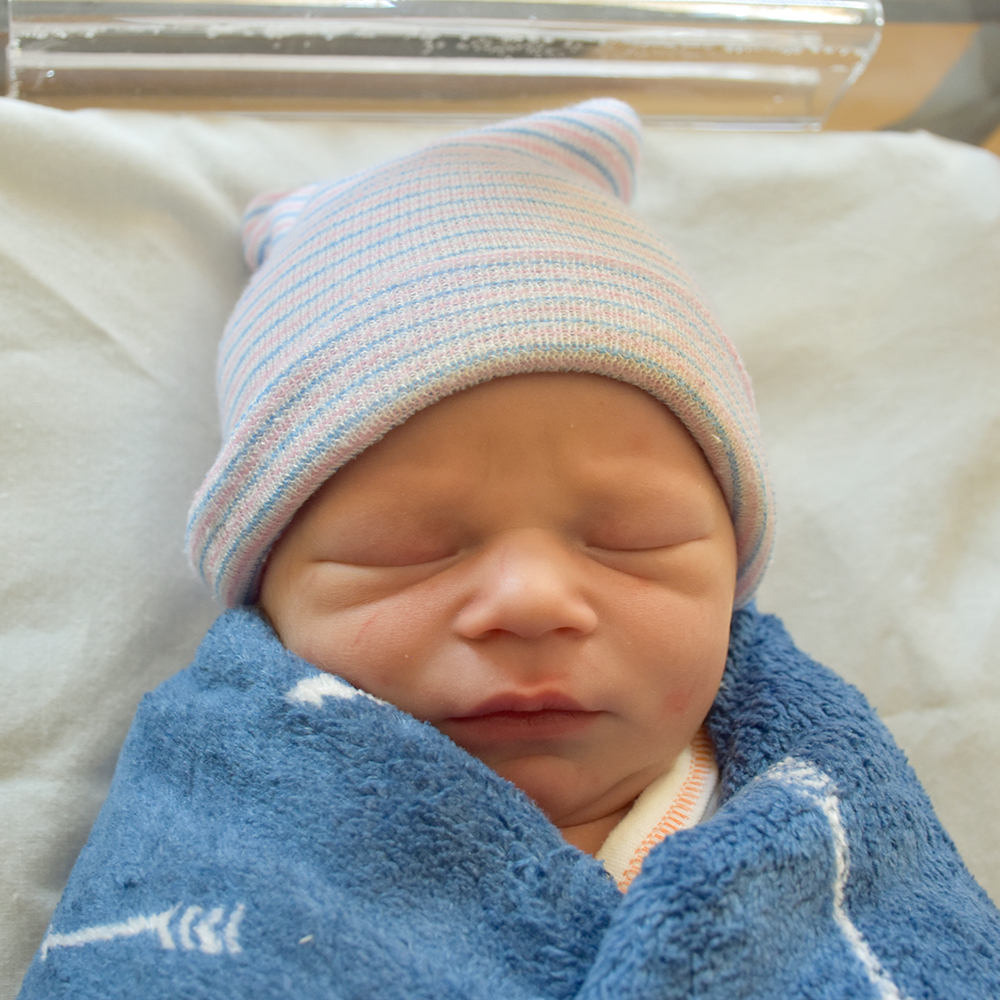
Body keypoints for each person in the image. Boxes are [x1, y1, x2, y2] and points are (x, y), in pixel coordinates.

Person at [17, 99, 1000, 999]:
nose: (531, 599)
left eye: (632, 538)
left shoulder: (815, 804)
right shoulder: (218, 831)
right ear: (266, 595)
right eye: (406, 547)